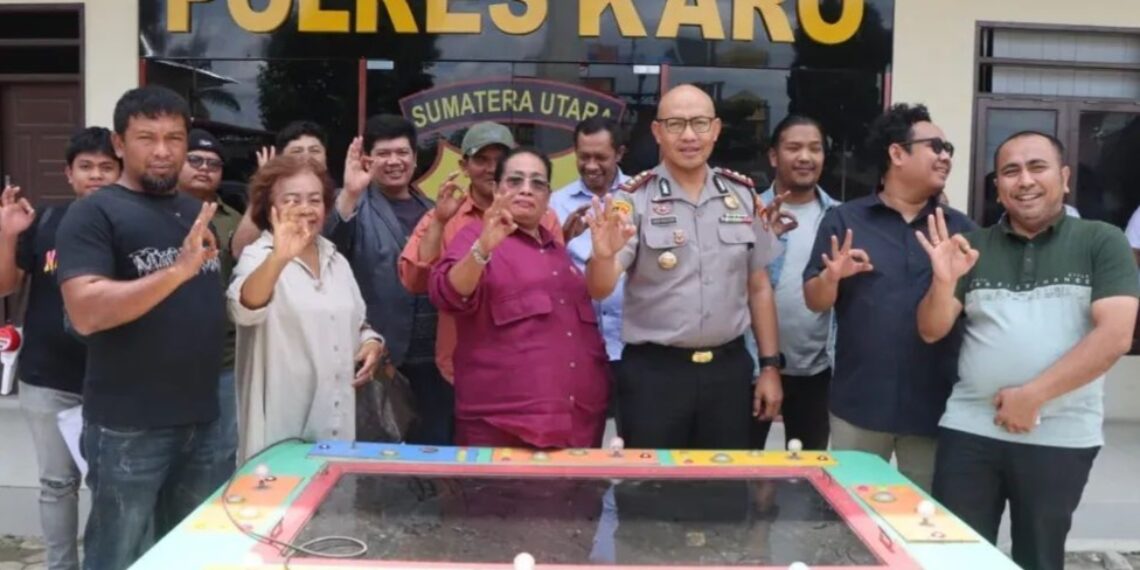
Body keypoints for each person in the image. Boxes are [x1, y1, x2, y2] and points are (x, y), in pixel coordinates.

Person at [917, 131, 1139, 570]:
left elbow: (1115, 336)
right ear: (998, 187)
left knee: (1038, 557)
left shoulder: (1102, 241)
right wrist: (943, 281)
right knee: (956, 557)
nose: (1024, 180)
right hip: (969, 430)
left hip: (1059, 435)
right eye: (1010, 171)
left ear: (1065, 177)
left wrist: (1032, 396)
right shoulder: (974, 246)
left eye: (1037, 167)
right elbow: (930, 330)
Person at [54, 86, 229, 570]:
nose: (163, 150)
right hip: (129, 426)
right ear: (119, 143)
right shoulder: (94, 212)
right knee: (120, 555)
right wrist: (177, 271)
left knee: (193, 555)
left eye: (174, 138)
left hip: (204, 419)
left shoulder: (195, 212)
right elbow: (86, 310)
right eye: (147, 137)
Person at [584, 84, 783, 450]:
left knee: (723, 481)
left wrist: (770, 366)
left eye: (699, 123)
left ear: (716, 129)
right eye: (676, 124)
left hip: (727, 373)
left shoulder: (742, 195)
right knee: (650, 482)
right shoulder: (632, 200)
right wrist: (602, 256)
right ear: (657, 132)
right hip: (654, 375)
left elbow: (758, 286)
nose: (689, 135)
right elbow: (600, 287)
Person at [801, 103, 974, 491]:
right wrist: (832, 276)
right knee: (853, 511)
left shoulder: (961, 230)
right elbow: (814, 300)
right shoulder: (845, 220)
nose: (946, 156)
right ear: (897, 153)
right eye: (935, 146)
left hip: (936, 406)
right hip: (860, 403)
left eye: (949, 149)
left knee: (926, 516)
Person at [429, 147, 609, 448]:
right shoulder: (475, 236)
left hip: (577, 426)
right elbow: (447, 294)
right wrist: (482, 249)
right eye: (515, 180)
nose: (526, 189)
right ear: (496, 190)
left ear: (548, 197)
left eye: (537, 183)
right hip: (504, 429)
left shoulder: (557, 252)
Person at [0, 127, 119, 570]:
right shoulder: (47, 222)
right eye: (86, 167)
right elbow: (5, 286)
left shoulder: (132, 224)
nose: (96, 175)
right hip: (48, 378)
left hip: (115, 379)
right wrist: (8, 234)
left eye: (106, 167)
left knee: (114, 485)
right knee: (56, 483)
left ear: (121, 172)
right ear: (69, 174)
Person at [399, 122, 563, 443]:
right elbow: (414, 281)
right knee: (460, 464)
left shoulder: (544, 218)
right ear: (464, 166)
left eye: (499, 161)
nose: (490, 169)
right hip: (458, 368)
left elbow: (555, 288)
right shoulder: (445, 215)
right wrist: (439, 222)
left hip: (528, 369)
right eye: (481, 160)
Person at [228, 155, 384, 459]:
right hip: (281, 427)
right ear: (269, 208)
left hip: (336, 423)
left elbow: (357, 323)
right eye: (292, 200)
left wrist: (371, 343)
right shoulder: (258, 255)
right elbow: (244, 308)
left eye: (314, 200)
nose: (305, 208)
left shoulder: (336, 260)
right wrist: (279, 258)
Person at [326, 115, 446, 444]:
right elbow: (328, 249)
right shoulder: (352, 203)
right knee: (380, 456)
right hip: (380, 356)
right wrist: (349, 195)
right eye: (383, 153)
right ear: (368, 160)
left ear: (415, 158)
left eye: (402, 152)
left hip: (433, 359)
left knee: (435, 450)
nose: (394, 161)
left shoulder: (435, 209)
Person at [749, 115, 840, 451]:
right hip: (752, 367)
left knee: (807, 469)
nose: (805, 157)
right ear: (774, 156)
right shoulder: (748, 212)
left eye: (815, 149)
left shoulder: (841, 218)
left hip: (818, 371)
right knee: (743, 468)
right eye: (794, 148)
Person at [550, 117, 629, 403]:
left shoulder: (641, 196)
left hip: (633, 346)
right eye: (584, 157)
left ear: (619, 154)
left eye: (600, 157)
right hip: (577, 347)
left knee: (637, 430)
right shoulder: (555, 203)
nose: (591, 165)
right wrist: (562, 238)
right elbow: (544, 268)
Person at [177, 128, 242, 469]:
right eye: (195, 160)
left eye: (213, 164)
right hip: (167, 356)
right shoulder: (152, 211)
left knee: (219, 453)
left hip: (224, 354)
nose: (204, 168)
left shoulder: (235, 220)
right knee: (171, 455)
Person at [232, 120, 330, 257]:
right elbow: (239, 251)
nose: (306, 156)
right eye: (297, 151)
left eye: (314, 150)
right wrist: (264, 185)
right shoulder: (273, 200)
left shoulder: (341, 197)